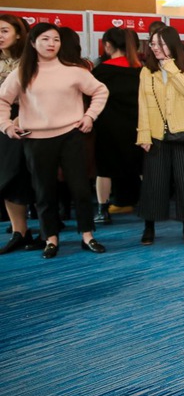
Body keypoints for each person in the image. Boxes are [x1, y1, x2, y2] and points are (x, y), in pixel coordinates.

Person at [0, 23, 109, 258]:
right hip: (36, 139)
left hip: (71, 136)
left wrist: (90, 116)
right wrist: (6, 126)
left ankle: (87, 235)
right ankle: (51, 239)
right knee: (44, 192)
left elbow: (100, 91)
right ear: (33, 43)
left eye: (56, 39)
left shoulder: (73, 71)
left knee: (80, 189)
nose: (51, 44)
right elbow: (3, 100)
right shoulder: (22, 72)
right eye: (45, 39)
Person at [136, 26, 184, 245]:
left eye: (161, 44)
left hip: (183, 132)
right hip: (156, 135)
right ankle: (149, 227)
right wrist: (144, 134)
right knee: (154, 183)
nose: (155, 48)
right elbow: (143, 104)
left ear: (172, 44)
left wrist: (171, 68)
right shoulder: (147, 71)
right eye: (153, 44)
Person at [91, 27, 144, 223]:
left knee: (105, 169)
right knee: (140, 166)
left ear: (108, 45)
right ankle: (148, 204)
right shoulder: (140, 70)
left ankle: (102, 211)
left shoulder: (100, 71)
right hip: (137, 125)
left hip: (108, 126)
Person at [0, 14, 41, 253]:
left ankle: (48, 231)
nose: (0, 36)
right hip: (2, 122)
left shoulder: (30, 61)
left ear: (18, 34)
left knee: (30, 176)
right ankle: (20, 231)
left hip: (26, 121)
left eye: (4, 30)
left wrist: (19, 117)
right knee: (6, 178)